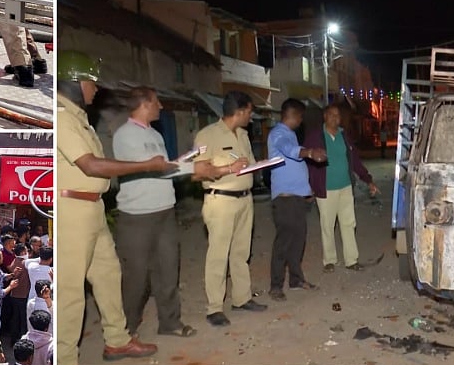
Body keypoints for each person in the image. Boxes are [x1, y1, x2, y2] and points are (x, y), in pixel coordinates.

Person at [56, 50, 166, 365]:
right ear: (76, 81)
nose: (95, 89)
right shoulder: (62, 118)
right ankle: (65, 361)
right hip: (72, 209)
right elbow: (91, 166)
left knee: (107, 274)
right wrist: (145, 165)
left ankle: (116, 340)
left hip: (92, 208)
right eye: (91, 82)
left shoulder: (79, 118)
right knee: (71, 289)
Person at [113, 86, 196, 337]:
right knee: (136, 277)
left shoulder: (155, 135)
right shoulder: (124, 135)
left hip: (165, 211)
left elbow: (165, 168)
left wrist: (189, 166)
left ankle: (170, 322)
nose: (161, 106)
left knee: (168, 270)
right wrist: (194, 169)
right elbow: (155, 168)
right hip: (137, 216)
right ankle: (128, 328)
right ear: (146, 103)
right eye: (157, 102)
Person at [191, 90, 268, 326]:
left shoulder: (243, 135)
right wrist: (228, 169)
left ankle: (241, 299)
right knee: (218, 254)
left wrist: (262, 165)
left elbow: (249, 165)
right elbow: (197, 172)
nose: (251, 117)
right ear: (241, 111)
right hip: (221, 201)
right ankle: (214, 307)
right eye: (249, 112)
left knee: (241, 252)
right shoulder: (207, 136)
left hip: (245, 200)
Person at [305, 103, 379, 272]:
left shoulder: (344, 136)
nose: (335, 118)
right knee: (327, 224)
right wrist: (309, 187)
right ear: (325, 116)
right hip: (325, 189)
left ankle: (351, 260)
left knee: (348, 223)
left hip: (345, 187)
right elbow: (307, 163)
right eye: (331, 115)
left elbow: (355, 161)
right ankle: (329, 260)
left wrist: (368, 180)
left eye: (338, 116)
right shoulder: (315, 136)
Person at [267, 98, 328, 301]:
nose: (301, 121)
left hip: (296, 198)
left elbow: (294, 165)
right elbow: (289, 151)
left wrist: (307, 190)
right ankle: (275, 286)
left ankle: (295, 279)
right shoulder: (278, 134)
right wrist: (309, 152)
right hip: (285, 200)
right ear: (292, 115)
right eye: (300, 117)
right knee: (283, 243)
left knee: (298, 242)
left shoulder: (291, 134)